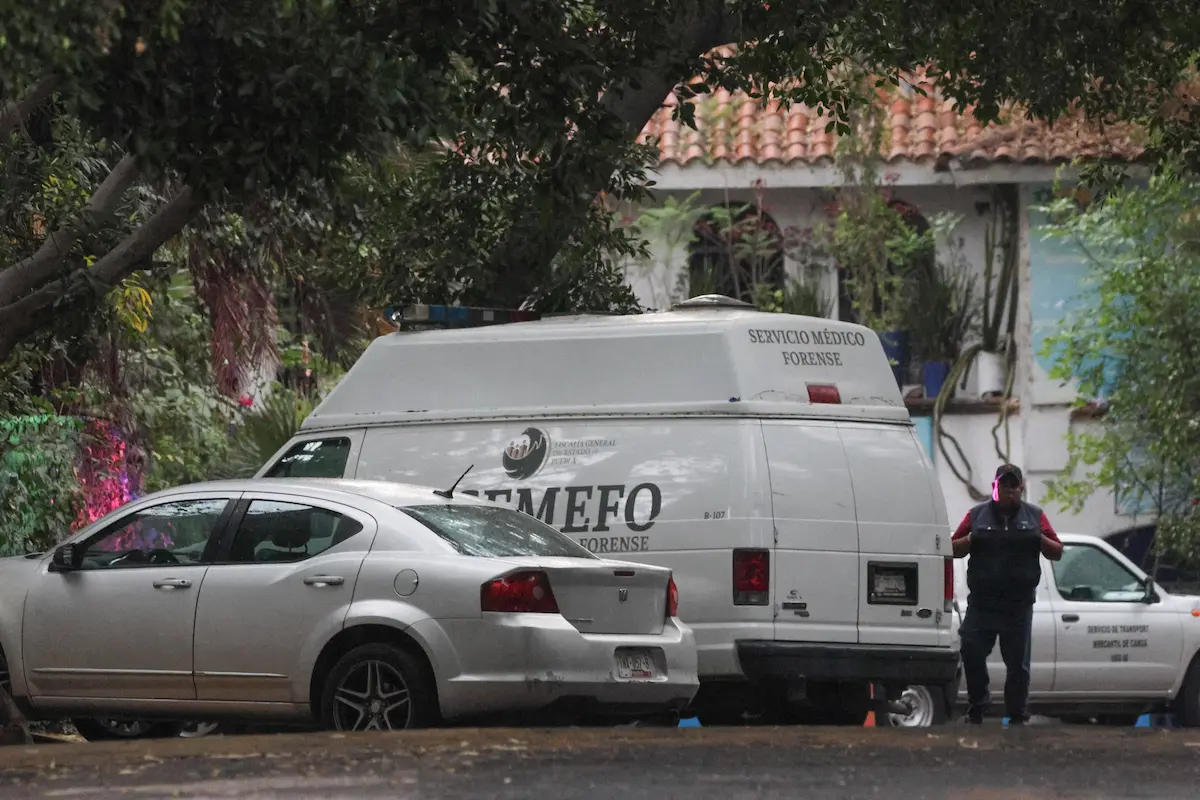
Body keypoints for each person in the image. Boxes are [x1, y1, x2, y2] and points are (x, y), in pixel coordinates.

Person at [951, 464, 1063, 725]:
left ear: (1021, 488)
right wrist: (968, 542)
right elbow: (952, 547)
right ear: (996, 487)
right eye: (1004, 485)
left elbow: (1057, 551)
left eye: (1014, 486)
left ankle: (1017, 714)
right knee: (971, 649)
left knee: (1018, 665)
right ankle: (978, 706)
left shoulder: (1035, 516)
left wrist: (1039, 539)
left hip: (1018, 605)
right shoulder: (976, 515)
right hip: (983, 603)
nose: (1009, 491)